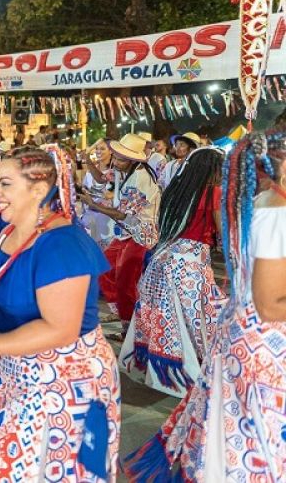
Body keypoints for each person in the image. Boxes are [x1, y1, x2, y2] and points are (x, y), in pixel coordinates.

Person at [0, 147, 120, 481]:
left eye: (5, 184)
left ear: (38, 190)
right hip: (20, 377)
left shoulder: (62, 244)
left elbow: (59, 329)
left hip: (67, 384)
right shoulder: (9, 234)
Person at [125, 126, 286, 482]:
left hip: (170, 264)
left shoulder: (184, 190)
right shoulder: (270, 209)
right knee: (194, 327)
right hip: (253, 331)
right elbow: (269, 300)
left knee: (184, 330)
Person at [119, 147, 226, 398]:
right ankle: (189, 374)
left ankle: (159, 370)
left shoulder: (176, 191)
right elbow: (225, 233)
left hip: (161, 262)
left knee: (166, 320)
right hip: (188, 267)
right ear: (213, 169)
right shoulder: (214, 193)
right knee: (201, 319)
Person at [80, 134, 161, 335]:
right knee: (104, 268)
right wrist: (87, 161)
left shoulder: (141, 178)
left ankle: (132, 330)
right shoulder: (123, 171)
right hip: (125, 233)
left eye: (119, 158)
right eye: (115, 157)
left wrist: (93, 205)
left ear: (133, 160)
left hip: (140, 236)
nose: (115, 162)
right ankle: (126, 316)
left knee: (126, 282)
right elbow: (101, 178)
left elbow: (122, 214)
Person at [80, 138, 115, 249]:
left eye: (102, 149)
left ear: (111, 151)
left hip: (107, 225)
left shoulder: (115, 173)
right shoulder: (89, 173)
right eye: (97, 149)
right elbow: (84, 195)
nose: (98, 151)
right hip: (89, 223)